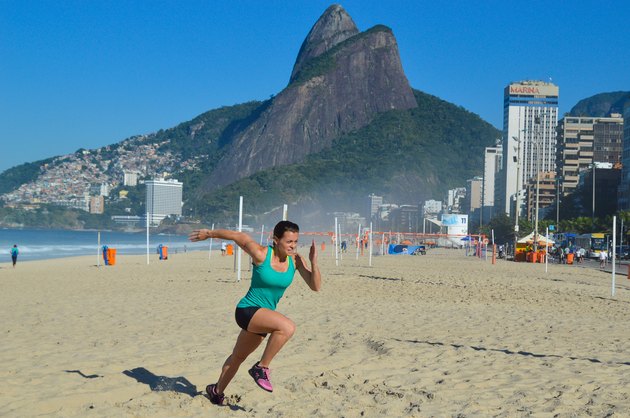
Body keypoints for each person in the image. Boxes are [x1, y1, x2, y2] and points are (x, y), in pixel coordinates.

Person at [188, 221, 321, 406]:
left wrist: (314, 262)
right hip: (247, 310)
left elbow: (315, 286)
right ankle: (261, 368)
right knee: (287, 327)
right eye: (289, 241)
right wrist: (209, 234)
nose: (293, 246)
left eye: (296, 242)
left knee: (238, 358)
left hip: (262, 319)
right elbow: (239, 237)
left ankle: (216, 391)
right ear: (276, 240)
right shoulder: (261, 254)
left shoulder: (296, 261)